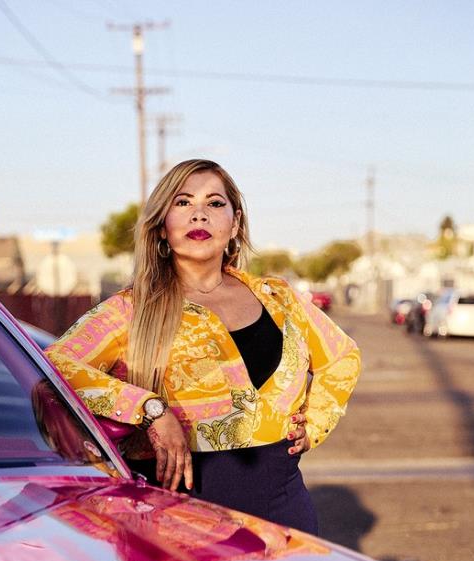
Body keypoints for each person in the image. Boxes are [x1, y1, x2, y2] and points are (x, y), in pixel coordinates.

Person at [46, 159, 361, 532]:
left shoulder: (280, 299)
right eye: (183, 203)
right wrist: (149, 410)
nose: (199, 215)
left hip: (283, 516)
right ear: (162, 227)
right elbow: (52, 368)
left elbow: (341, 357)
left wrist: (314, 422)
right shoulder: (129, 311)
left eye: (214, 203)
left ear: (236, 224)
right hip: (176, 521)